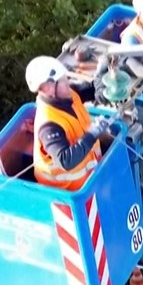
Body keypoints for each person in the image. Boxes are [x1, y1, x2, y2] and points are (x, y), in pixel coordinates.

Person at [26, 55, 113, 191]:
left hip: (92, 176)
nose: (67, 82)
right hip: (70, 192)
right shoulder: (49, 125)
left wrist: (101, 75)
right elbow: (65, 161)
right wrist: (93, 132)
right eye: (62, 80)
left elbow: (93, 90)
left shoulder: (67, 93)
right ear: (47, 88)